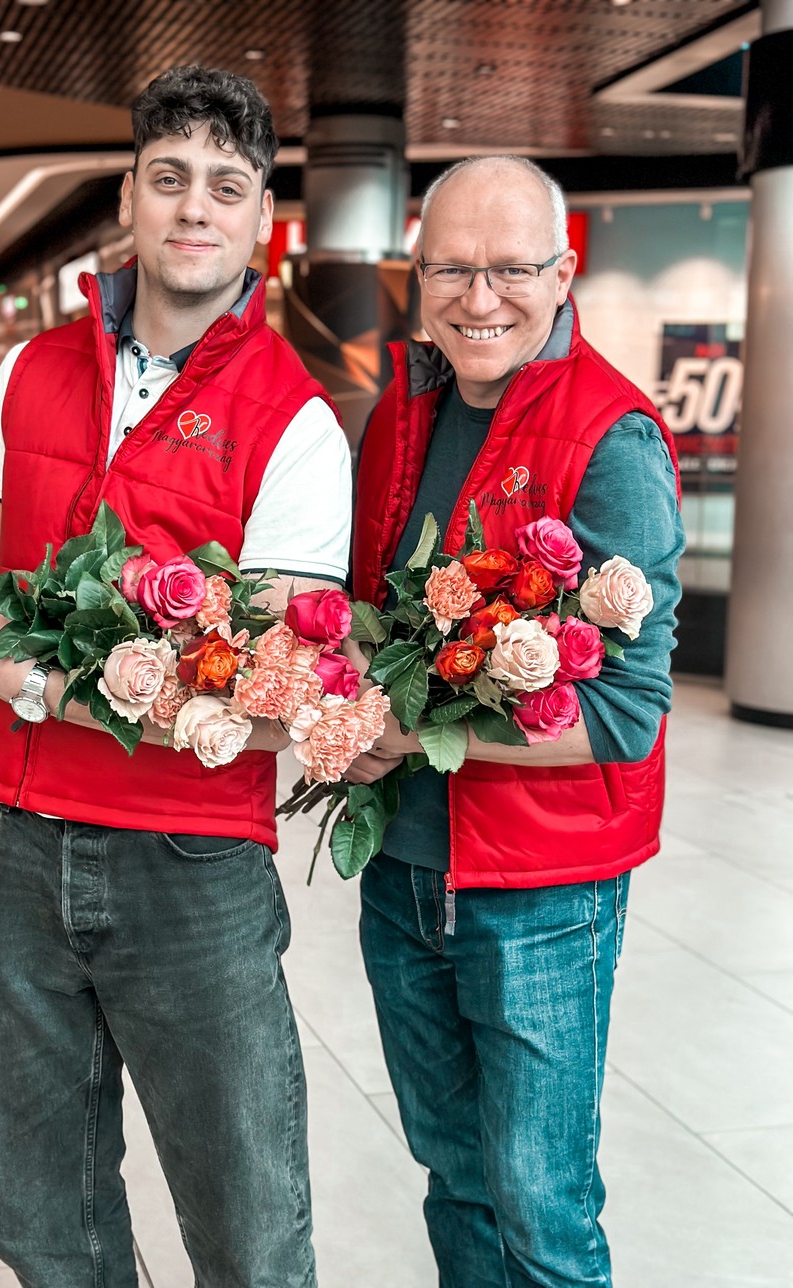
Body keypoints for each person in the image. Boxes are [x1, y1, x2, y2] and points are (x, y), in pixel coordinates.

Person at [0, 65, 352, 1288]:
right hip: (9, 847)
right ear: (130, 201)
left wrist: (27, 682)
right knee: (47, 1222)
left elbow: (262, 697)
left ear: (261, 222)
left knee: (248, 1227)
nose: (195, 207)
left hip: (186, 865)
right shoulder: (31, 372)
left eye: (227, 186)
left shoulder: (295, 423)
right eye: (169, 178)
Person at [347, 156, 684, 1288]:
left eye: (510, 269)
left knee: (542, 1204)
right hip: (404, 868)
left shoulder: (615, 438)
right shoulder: (405, 407)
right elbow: (371, 605)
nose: (478, 297)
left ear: (563, 272)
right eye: (451, 266)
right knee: (455, 1173)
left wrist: (418, 735)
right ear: (418, 271)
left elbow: (626, 713)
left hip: (542, 888)